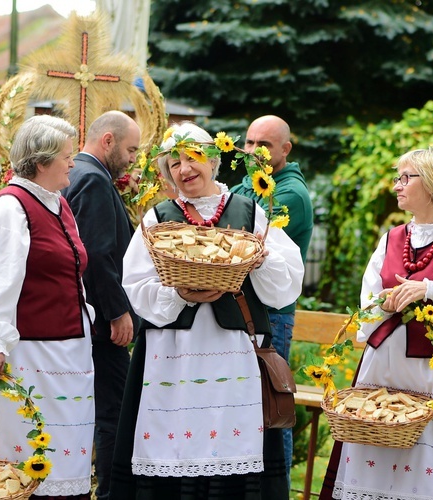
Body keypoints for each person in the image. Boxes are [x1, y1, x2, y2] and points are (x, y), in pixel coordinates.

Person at [109, 121, 304, 499]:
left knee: (230, 437)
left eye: (192, 158)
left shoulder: (248, 212)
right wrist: (181, 294)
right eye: (174, 163)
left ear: (212, 160)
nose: (184, 170)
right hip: (174, 355)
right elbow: (136, 285)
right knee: (174, 440)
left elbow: (285, 284)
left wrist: (260, 260)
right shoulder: (158, 218)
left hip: (232, 353)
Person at [320, 147, 433, 500]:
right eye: (397, 177)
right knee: (378, 455)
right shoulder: (391, 238)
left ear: (432, 184)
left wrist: (431, 289)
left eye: (405, 178)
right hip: (385, 370)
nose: (397, 186)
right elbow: (369, 300)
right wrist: (383, 302)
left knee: (427, 465)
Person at [0, 115, 95, 499]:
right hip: (28, 353)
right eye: (66, 156)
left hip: (66, 352)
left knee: (62, 449)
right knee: (25, 447)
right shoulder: (11, 209)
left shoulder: (57, 204)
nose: (72, 163)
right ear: (41, 162)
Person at [60, 110, 139, 500]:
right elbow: (98, 253)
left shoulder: (77, 173)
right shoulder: (92, 179)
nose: (133, 159)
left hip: (84, 317)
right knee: (114, 413)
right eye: (130, 149)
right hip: (102, 321)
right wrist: (118, 312)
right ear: (107, 140)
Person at [231, 115, 313, 476]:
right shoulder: (247, 184)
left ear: (285, 149)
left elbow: (242, 237)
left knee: (273, 405)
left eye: (263, 145)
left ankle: (276, 485)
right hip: (242, 309)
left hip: (272, 313)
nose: (253, 151)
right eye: (248, 143)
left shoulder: (290, 193)